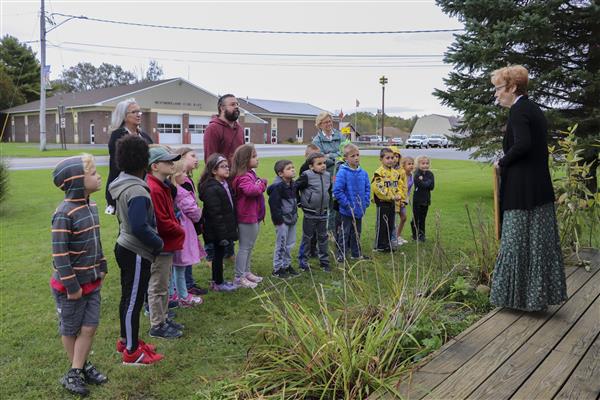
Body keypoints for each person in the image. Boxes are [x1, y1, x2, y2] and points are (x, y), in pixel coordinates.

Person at [490, 65, 567, 311]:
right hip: (538, 188)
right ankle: (533, 299)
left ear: (512, 88)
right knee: (536, 244)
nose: (496, 94)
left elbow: (522, 145)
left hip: (522, 191)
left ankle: (514, 299)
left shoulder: (518, 110)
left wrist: (501, 161)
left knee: (515, 241)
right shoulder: (532, 108)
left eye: (498, 89)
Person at [51, 154, 108, 395]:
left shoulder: (91, 205)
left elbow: (96, 240)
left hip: (92, 281)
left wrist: (102, 264)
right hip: (71, 288)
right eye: (93, 174)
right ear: (76, 181)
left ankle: (81, 366)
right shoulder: (64, 213)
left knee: (90, 327)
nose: (99, 177)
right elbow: (60, 255)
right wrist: (72, 286)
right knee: (71, 328)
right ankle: (75, 371)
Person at [108, 136, 164, 365]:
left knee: (127, 297)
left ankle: (127, 339)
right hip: (136, 251)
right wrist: (158, 243)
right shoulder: (138, 192)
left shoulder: (121, 182)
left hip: (124, 245)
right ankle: (132, 352)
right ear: (144, 161)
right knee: (134, 301)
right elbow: (140, 226)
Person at [146, 146, 185, 339]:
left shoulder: (162, 186)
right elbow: (162, 221)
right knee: (158, 286)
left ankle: (163, 317)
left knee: (164, 284)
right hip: (161, 245)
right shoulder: (153, 188)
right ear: (154, 166)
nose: (172, 164)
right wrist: (180, 229)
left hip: (167, 243)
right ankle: (157, 325)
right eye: (167, 162)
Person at [203, 94, 244, 260]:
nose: (236, 107)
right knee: (215, 217)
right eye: (232, 104)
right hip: (217, 181)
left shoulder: (239, 128)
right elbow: (210, 158)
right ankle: (211, 254)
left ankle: (229, 252)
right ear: (222, 108)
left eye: (237, 104)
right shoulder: (213, 128)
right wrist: (217, 179)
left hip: (235, 180)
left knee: (231, 216)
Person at [198, 154, 239, 292]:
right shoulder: (211, 188)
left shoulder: (224, 184)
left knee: (219, 254)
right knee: (217, 256)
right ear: (214, 171)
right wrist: (222, 236)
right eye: (223, 167)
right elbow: (215, 214)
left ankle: (219, 280)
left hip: (224, 228)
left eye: (227, 166)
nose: (227, 169)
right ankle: (217, 283)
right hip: (216, 230)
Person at [105, 98, 153, 215]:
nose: (138, 114)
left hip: (147, 184)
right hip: (126, 186)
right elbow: (118, 165)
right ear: (124, 116)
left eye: (139, 111)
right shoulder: (118, 136)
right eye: (134, 112)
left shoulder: (144, 136)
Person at [230, 144, 267, 289]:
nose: (257, 159)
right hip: (246, 217)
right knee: (245, 247)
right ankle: (239, 277)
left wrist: (258, 182)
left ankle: (246, 272)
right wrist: (262, 183)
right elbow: (252, 191)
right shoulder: (244, 176)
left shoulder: (250, 174)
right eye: (254, 156)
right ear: (245, 159)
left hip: (253, 215)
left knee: (249, 246)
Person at [171, 159, 205, 307]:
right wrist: (199, 211)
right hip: (183, 232)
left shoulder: (171, 190)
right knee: (180, 266)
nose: (186, 175)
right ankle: (183, 296)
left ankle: (174, 293)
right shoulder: (181, 193)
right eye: (183, 172)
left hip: (176, 232)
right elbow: (195, 214)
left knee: (174, 267)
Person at [333, 143, 371, 262]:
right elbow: (337, 190)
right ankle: (341, 255)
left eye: (357, 155)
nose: (356, 158)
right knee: (345, 233)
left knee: (356, 232)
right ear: (346, 158)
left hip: (359, 210)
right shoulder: (343, 172)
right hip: (346, 211)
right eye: (352, 156)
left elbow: (367, 188)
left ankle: (356, 253)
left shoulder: (363, 173)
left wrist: (364, 203)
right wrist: (347, 205)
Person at [296, 152, 331, 272]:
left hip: (323, 213)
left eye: (324, 163)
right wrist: (299, 202)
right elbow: (295, 187)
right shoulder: (306, 175)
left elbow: (327, 191)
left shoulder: (327, 175)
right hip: (310, 213)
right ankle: (303, 262)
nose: (323, 166)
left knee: (323, 238)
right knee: (307, 237)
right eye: (319, 164)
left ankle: (324, 262)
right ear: (311, 166)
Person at [267, 160, 300, 279]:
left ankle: (286, 265)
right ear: (281, 174)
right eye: (289, 168)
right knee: (281, 244)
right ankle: (277, 269)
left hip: (292, 219)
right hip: (282, 221)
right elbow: (274, 205)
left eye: (293, 167)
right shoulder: (277, 187)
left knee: (290, 244)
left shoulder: (292, 184)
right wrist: (279, 221)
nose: (292, 169)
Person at [312, 112, 343, 233]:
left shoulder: (340, 136)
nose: (329, 124)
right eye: (326, 122)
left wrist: (329, 155)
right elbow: (320, 159)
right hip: (326, 177)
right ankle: (330, 231)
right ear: (320, 125)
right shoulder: (317, 140)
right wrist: (336, 156)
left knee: (340, 203)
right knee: (329, 204)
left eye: (330, 121)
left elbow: (346, 152)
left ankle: (339, 229)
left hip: (341, 174)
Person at [371, 148, 401, 252]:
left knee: (390, 224)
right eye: (387, 158)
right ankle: (379, 245)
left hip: (392, 203)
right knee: (382, 225)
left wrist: (398, 195)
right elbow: (379, 189)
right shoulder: (378, 173)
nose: (390, 160)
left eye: (392, 158)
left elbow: (397, 187)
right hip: (383, 203)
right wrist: (391, 196)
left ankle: (387, 244)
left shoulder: (395, 173)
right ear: (381, 159)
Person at [298, 143, 320, 259]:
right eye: (312, 155)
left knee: (318, 228)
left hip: (319, 204)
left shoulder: (321, 168)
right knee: (309, 230)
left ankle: (313, 249)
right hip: (309, 204)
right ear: (306, 155)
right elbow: (299, 186)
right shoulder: (304, 169)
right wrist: (300, 201)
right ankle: (306, 251)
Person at [411, 156, 435, 242]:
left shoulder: (430, 174)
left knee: (423, 218)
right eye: (423, 163)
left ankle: (422, 235)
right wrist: (428, 182)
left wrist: (425, 182)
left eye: (427, 163)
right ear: (418, 164)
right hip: (417, 199)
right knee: (416, 218)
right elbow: (422, 185)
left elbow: (432, 187)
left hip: (426, 199)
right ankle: (415, 234)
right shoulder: (417, 174)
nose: (425, 165)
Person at [389, 146, 407, 247]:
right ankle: (393, 239)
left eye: (396, 156)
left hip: (400, 199)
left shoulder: (402, 171)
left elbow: (404, 186)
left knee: (403, 217)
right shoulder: (385, 170)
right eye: (392, 156)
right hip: (390, 200)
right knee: (393, 220)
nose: (394, 158)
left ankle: (397, 236)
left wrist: (403, 199)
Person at [397, 156, 415, 244]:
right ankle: (393, 237)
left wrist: (406, 200)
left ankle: (397, 236)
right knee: (398, 218)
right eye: (409, 164)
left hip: (404, 200)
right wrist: (400, 200)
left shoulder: (412, 175)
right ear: (403, 165)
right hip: (398, 199)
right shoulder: (401, 175)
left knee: (403, 218)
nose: (411, 166)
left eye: (412, 164)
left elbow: (408, 190)